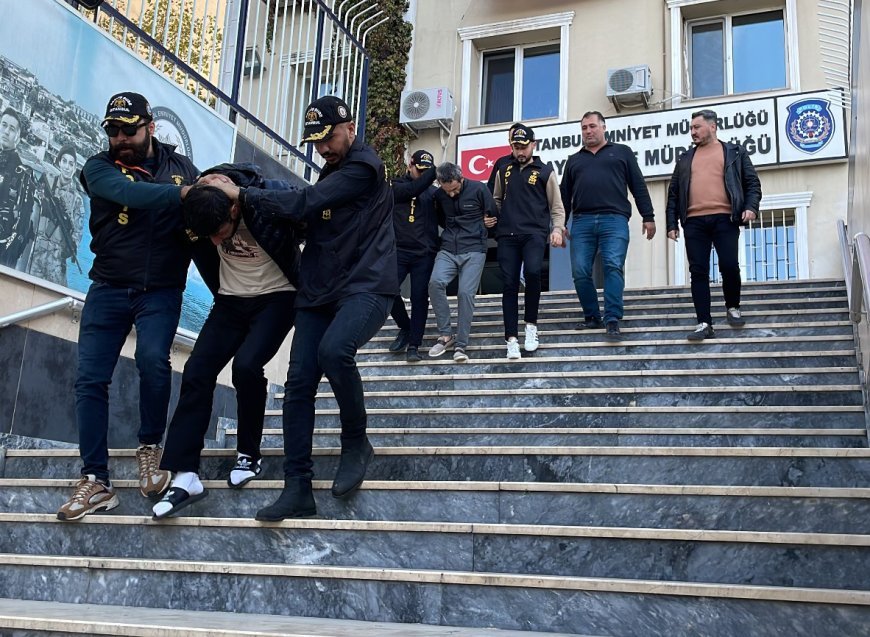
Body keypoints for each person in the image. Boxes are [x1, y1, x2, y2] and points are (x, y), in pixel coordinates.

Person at [207, 96, 396, 521]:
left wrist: (241, 192)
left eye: (327, 137)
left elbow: (304, 203)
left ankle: (356, 442)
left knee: (334, 352)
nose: (322, 148)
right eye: (315, 142)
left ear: (349, 127)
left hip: (365, 286)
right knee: (297, 385)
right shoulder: (332, 172)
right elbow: (308, 217)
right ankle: (297, 488)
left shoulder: (365, 167)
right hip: (318, 290)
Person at [56, 92, 199, 521]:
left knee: (154, 361)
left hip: (161, 290)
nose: (120, 137)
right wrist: (184, 195)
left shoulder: (183, 170)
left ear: (150, 127)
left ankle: (151, 450)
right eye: (113, 130)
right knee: (89, 379)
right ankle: (95, 479)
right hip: (109, 287)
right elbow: (129, 194)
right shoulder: (98, 168)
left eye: (129, 130)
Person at [152, 164, 303, 519]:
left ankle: (249, 455)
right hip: (231, 299)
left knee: (247, 366)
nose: (218, 242)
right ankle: (185, 474)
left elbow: (310, 210)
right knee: (197, 371)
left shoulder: (267, 196)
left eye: (221, 232)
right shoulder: (197, 207)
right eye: (211, 238)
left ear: (235, 208)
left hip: (278, 296)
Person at [665, 109, 762, 340]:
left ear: (713, 126)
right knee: (698, 271)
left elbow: (752, 183)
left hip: (725, 217)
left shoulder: (735, 152)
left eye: (697, 127)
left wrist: (751, 207)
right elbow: (674, 194)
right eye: (691, 128)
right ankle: (704, 323)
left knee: (729, 265)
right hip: (694, 222)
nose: (693, 132)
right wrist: (672, 223)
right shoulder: (685, 159)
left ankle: (733, 307)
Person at [560, 110, 655, 342]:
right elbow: (563, 196)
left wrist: (648, 215)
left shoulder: (621, 152)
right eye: (584, 128)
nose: (588, 131)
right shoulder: (574, 160)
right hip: (581, 222)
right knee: (580, 271)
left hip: (615, 220)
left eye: (592, 126)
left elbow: (638, 185)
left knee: (613, 266)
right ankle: (592, 315)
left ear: (603, 127)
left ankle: (612, 318)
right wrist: (559, 224)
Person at [492, 124, 566, 359]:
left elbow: (557, 206)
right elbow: (496, 200)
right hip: (507, 235)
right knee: (509, 284)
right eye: (516, 147)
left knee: (534, 273)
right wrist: (491, 217)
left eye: (524, 146)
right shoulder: (503, 169)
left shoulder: (545, 171)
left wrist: (557, 229)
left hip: (534, 233)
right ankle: (511, 339)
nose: (520, 151)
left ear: (533, 145)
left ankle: (531, 325)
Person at [428, 161, 498, 362]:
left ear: (461, 178)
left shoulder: (479, 188)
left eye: (455, 189)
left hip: (475, 248)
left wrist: (482, 226)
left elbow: (493, 215)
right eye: (447, 190)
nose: (451, 194)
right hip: (449, 247)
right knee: (435, 283)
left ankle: (461, 345)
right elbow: (441, 218)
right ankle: (445, 335)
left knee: (465, 293)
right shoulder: (440, 195)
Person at [388, 149, 438, 362]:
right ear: (410, 165)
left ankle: (414, 345)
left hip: (423, 254)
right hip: (398, 250)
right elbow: (412, 189)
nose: (423, 175)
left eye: (427, 171)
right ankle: (405, 327)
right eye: (420, 170)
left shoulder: (433, 193)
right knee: (387, 291)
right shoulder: (396, 185)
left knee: (419, 298)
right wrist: (433, 173)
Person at [29, 144, 85, 285]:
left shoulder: (77, 200)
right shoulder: (48, 181)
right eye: (64, 161)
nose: (67, 167)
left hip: (56, 260)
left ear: (74, 168)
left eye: (71, 164)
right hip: (36, 252)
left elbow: (77, 233)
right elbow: (32, 207)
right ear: (59, 161)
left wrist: (66, 251)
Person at [0, 107, 35, 268]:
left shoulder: (23, 175)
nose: (6, 131)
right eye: (4, 125)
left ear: (18, 137)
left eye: (12, 129)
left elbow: (22, 228)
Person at [486, 122, 522, 193]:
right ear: (509, 141)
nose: (516, 141)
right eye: (513, 138)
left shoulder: (535, 164)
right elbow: (490, 191)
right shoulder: (501, 163)